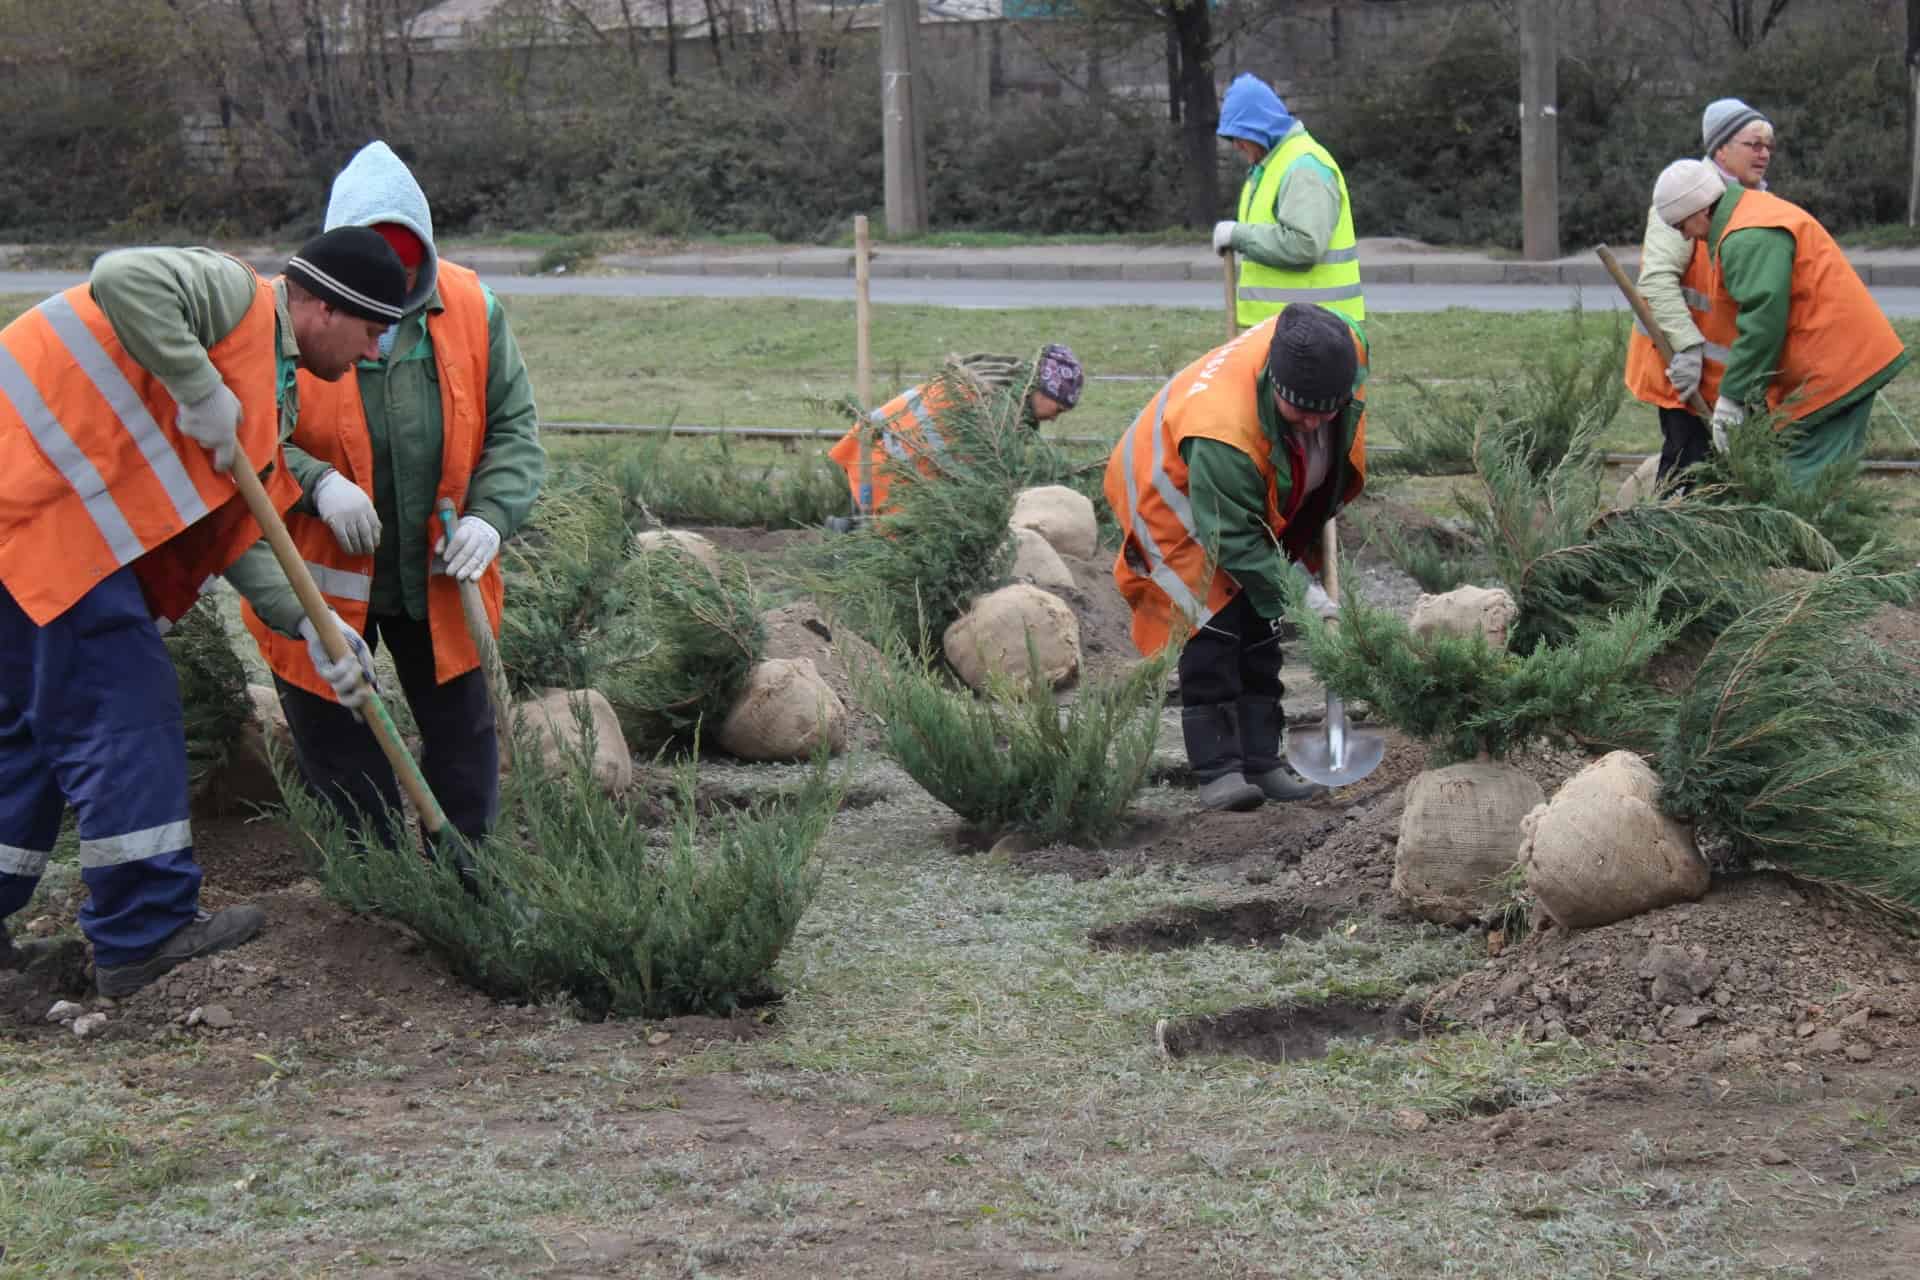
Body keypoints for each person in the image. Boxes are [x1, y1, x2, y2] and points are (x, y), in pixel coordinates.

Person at [0, 228, 406, 996]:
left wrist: (313, 625)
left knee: (25, 738)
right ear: (319, 306)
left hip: (33, 534)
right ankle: (144, 934)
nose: (376, 351)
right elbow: (120, 272)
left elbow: (237, 533)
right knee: (127, 720)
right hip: (51, 532)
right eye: (371, 327)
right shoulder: (236, 300)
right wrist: (197, 386)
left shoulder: (266, 390)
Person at [240, 141, 544, 856]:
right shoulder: (278, 316)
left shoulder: (473, 307)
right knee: (344, 756)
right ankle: (379, 892)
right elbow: (243, 444)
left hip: (440, 575)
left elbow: (515, 429)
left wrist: (490, 518)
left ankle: (468, 886)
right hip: (321, 582)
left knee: (463, 747)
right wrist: (318, 482)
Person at [1105, 302, 1367, 811]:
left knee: (1261, 636)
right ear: (1275, 385)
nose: (1315, 423)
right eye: (1302, 412)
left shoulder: (1340, 350)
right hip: (1174, 512)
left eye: (1326, 411)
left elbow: (1326, 424)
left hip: (1243, 500)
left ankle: (1264, 764)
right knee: (1215, 636)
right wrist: (1302, 595)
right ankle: (1219, 771)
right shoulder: (1223, 431)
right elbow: (1237, 543)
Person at [1650, 158, 1909, 490]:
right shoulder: (1749, 214)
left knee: (1803, 489)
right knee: (1814, 481)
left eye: (1680, 226)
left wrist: (1732, 398)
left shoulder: (1746, 236)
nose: (1685, 237)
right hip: (1834, 364)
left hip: (1834, 372)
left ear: (1700, 212)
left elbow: (1762, 322)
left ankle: (1811, 540)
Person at [1625, 99, 1776, 481]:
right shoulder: (1687, 195)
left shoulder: (1757, 200)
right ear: (1721, 148)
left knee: (1733, 478)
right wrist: (1688, 350)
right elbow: (1658, 280)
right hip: (1686, 374)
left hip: (1732, 378)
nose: (1764, 154)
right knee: (1687, 475)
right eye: (1753, 144)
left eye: (1768, 146)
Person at [827, 344, 1083, 519]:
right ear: (1041, 388)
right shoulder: (995, 412)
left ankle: (847, 534)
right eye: (1058, 409)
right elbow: (981, 484)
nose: (1054, 418)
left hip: (876, 455)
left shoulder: (996, 385)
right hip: (887, 471)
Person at [1210, 74, 1364, 332]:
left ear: (1259, 129)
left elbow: (1304, 245)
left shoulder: (1303, 167)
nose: (1235, 145)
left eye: (1239, 135)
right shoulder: (1269, 168)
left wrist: (1238, 235)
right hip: (1289, 334)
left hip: (1315, 337)